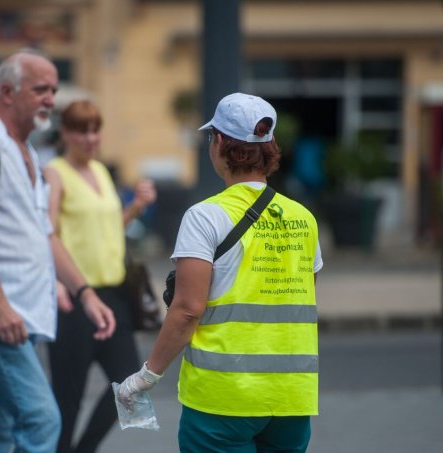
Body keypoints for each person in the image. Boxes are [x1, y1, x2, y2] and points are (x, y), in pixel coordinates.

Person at [117, 93, 323, 452]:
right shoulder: (302, 217)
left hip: (223, 399)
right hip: (291, 398)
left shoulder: (205, 216)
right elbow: (299, 294)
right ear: (268, 148)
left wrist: (146, 376)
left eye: (212, 137)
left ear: (221, 143)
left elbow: (187, 310)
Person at [0, 50, 116, 453]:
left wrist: (84, 294)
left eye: (53, 90)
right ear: (7, 92)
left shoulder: (31, 157)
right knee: (41, 420)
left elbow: (46, 236)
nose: (51, 100)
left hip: (26, 315)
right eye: (41, 89)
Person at [44, 100, 157, 453]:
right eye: (81, 130)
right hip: (75, 297)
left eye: (95, 129)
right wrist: (57, 282)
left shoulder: (102, 172)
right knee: (68, 398)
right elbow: (46, 232)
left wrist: (136, 208)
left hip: (114, 296)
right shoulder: (54, 172)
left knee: (130, 388)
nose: (91, 138)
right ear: (65, 134)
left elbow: (107, 228)